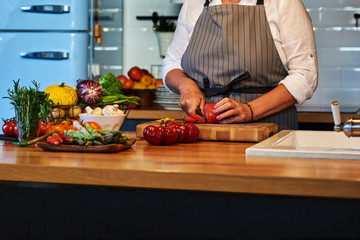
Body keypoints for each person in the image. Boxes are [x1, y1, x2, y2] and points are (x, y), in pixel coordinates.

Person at [162, 0, 318, 130]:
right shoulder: (194, 3)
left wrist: (250, 110)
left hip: (270, 130)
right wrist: (186, 86)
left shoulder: (283, 3)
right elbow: (172, 63)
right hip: (204, 131)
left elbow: (305, 75)